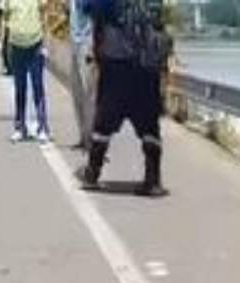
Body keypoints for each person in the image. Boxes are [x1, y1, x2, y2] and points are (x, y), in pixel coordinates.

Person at [79, 0, 172, 196]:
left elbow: (87, 7)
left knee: (104, 122)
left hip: (117, 63)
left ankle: (92, 174)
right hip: (147, 66)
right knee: (149, 126)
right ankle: (153, 180)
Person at [4, 0, 51, 142]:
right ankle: (20, 127)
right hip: (16, 45)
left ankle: (42, 127)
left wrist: (45, 44)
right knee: (20, 87)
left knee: (37, 86)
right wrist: (6, 46)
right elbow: (5, 20)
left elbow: (44, 15)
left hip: (35, 44)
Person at [69, 0, 96, 149]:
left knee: (89, 95)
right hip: (75, 43)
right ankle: (83, 136)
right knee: (77, 92)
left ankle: (91, 139)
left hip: (87, 44)